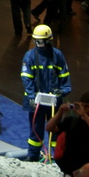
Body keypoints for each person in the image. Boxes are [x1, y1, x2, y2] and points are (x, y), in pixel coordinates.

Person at [21, 24, 71, 162]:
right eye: (36, 41)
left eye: (41, 41)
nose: (38, 44)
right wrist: (32, 97)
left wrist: (63, 91)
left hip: (53, 102)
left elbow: (64, 76)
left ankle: (57, 157)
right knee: (35, 130)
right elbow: (26, 78)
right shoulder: (30, 56)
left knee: (55, 130)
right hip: (36, 102)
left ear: (49, 40)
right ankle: (33, 155)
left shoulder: (57, 55)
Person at [46, 91, 89, 177]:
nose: (84, 109)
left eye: (87, 106)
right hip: (71, 171)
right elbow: (49, 127)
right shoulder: (71, 121)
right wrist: (60, 112)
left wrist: (84, 116)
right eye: (82, 105)